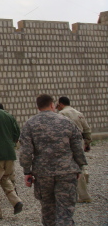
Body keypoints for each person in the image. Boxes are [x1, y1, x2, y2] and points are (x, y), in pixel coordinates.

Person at [19, 94, 87, 226]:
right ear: (52, 105)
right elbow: (77, 147)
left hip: (43, 174)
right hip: (66, 172)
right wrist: (79, 167)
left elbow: (26, 151)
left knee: (48, 209)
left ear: (37, 107)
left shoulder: (30, 124)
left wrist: (27, 171)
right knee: (65, 211)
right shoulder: (67, 122)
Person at [56, 96, 92, 203]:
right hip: (79, 141)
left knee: (69, 167)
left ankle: (83, 195)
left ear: (61, 104)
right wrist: (87, 143)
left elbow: (59, 130)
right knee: (79, 162)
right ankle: (84, 172)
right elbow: (87, 129)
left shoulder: (62, 114)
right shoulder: (78, 113)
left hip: (68, 142)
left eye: (57, 104)